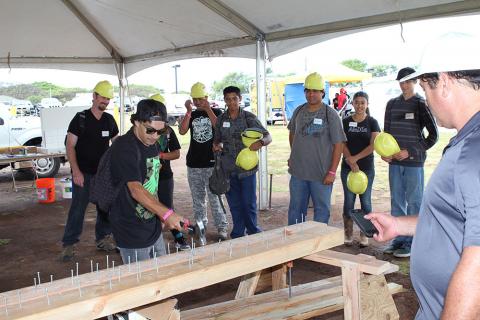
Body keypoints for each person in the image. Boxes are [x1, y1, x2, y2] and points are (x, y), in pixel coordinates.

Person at [367, 32, 480, 320]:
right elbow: (456, 219)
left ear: (443, 82)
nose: (426, 99)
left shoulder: (474, 151)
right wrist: (399, 225)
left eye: (425, 88)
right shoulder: (466, 141)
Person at [109, 99, 184, 263]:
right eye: (150, 130)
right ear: (137, 122)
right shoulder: (124, 147)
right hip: (131, 228)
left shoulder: (152, 144)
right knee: (141, 282)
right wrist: (167, 214)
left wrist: (160, 215)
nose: (155, 136)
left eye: (160, 131)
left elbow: (151, 183)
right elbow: (136, 189)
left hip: (151, 224)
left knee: (160, 273)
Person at [382, 66, 438, 258]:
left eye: (407, 81)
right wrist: (384, 153)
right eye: (401, 81)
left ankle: (413, 242)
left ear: (414, 82)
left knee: (414, 202)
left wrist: (410, 151)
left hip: (414, 162)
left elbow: (433, 136)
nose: (404, 85)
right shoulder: (391, 104)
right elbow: (385, 135)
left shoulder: (420, 104)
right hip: (394, 164)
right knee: (397, 202)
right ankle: (398, 239)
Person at [61, 80, 119, 261]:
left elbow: (116, 143)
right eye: (103, 97)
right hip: (83, 173)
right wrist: (76, 171)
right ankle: (69, 244)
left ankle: (102, 239)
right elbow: (70, 146)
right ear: (94, 96)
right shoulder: (81, 119)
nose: (106, 101)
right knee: (78, 208)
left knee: (104, 207)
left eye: (108, 98)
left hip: (103, 174)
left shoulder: (109, 120)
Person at [287, 72, 346, 225]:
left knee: (321, 211)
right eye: (308, 90)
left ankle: (317, 247)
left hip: (321, 174)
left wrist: (332, 172)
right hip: (298, 173)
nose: (311, 94)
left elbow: (338, 144)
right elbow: (292, 133)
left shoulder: (330, 114)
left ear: (322, 93)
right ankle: (295, 243)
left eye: (315, 91)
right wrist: (294, 155)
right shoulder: (298, 111)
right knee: (296, 210)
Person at [213, 86, 271, 238]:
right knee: (234, 204)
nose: (231, 102)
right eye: (228, 99)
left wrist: (261, 143)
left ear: (239, 99)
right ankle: (238, 232)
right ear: (225, 101)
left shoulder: (248, 117)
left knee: (249, 203)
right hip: (228, 168)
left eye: (234, 99)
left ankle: (253, 231)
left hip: (247, 169)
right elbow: (217, 140)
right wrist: (216, 145)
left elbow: (267, 136)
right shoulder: (220, 120)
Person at [179, 82, 229, 240]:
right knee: (198, 200)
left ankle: (222, 228)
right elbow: (182, 130)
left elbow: (219, 127)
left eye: (201, 99)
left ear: (207, 98)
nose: (198, 102)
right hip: (194, 164)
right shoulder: (191, 114)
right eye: (195, 99)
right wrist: (188, 111)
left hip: (212, 164)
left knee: (216, 198)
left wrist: (208, 109)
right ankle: (201, 228)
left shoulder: (216, 111)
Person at [150, 94, 190, 251]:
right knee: (147, 208)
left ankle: (179, 238)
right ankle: (148, 240)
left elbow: (176, 153)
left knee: (167, 208)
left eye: (160, 111)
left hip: (165, 176)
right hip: (145, 178)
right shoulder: (142, 131)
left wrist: (160, 156)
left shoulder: (168, 132)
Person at [340, 91, 380, 247]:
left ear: (367, 104)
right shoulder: (345, 121)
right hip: (347, 168)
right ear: (352, 104)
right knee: (349, 202)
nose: (360, 105)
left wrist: (355, 159)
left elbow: (374, 145)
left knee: (366, 202)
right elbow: (341, 143)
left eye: (363, 102)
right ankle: (348, 234)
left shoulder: (372, 122)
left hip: (366, 168)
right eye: (357, 102)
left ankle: (365, 234)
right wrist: (350, 161)